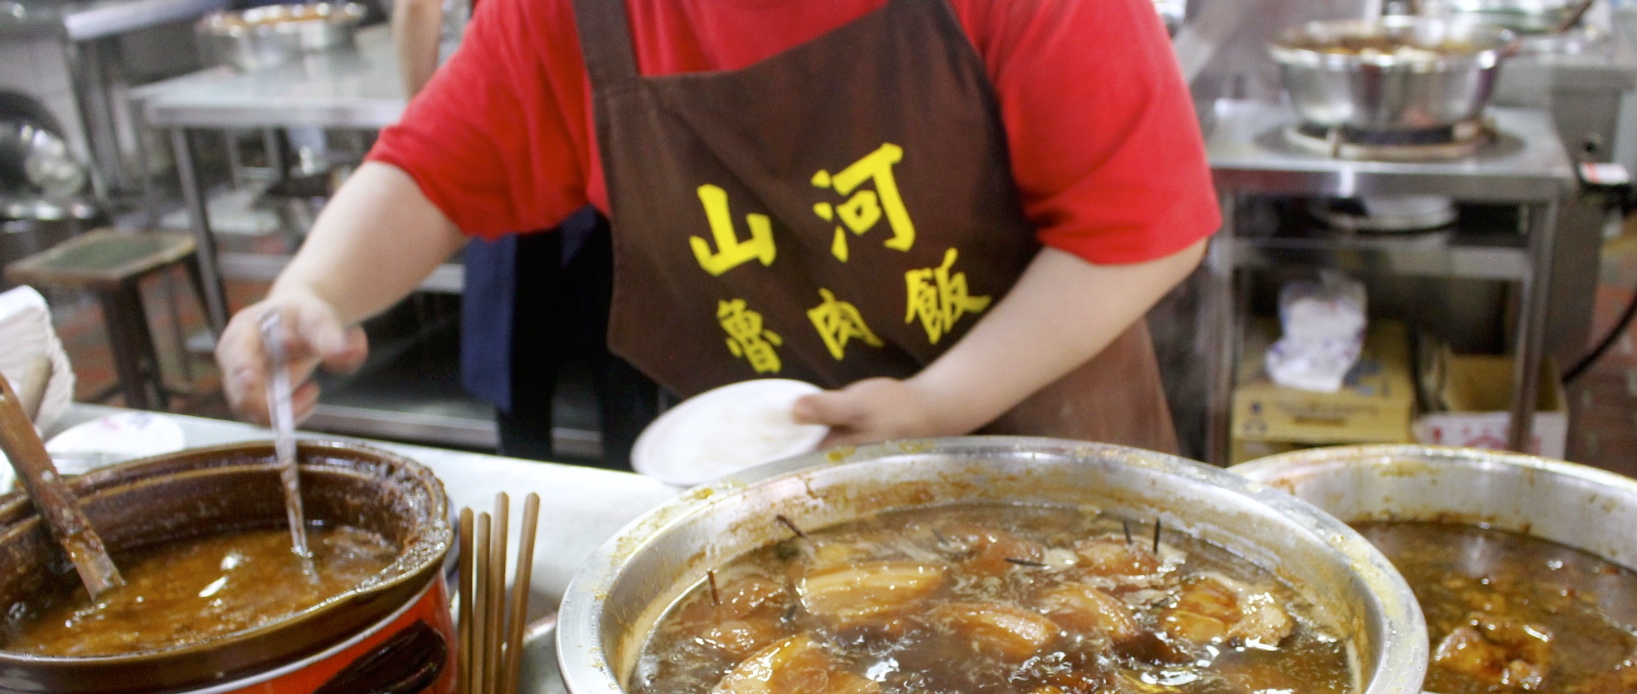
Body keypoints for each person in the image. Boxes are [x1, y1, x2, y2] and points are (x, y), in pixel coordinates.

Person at [216, 0, 1218, 455]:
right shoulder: (579, 12)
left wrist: (935, 402)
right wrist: (315, 293)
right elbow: (435, 168)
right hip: (773, 492)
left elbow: (1138, 228)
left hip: (1051, 461)